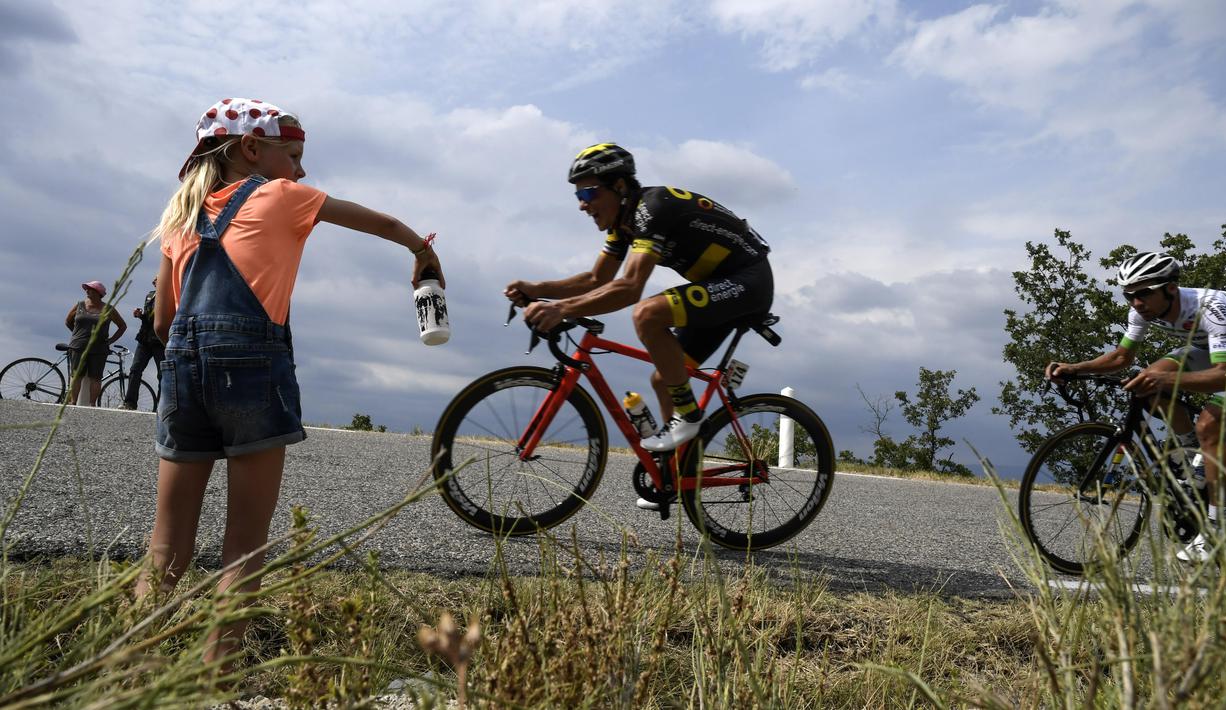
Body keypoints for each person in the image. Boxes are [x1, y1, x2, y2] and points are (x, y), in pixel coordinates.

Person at [133, 98, 444, 670]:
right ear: (252, 149)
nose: (301, 171)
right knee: (245, 542)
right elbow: (380, 222)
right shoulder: (283, 197)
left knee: (167, 543)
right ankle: (215, 675)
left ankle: (128, 669)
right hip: (252, 367)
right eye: (294, 156)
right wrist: (423, 251)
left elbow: (161, 322)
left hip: (181, 370)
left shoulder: (179, 219)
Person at [505, 143, 773, 461]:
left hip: (748, 282)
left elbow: (630, 288)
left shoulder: (653, 208)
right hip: (718, 289)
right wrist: (537, 288)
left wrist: (561, 308)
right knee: (665, 378)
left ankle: (688, 417)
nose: (582, 205)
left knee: (647, 313)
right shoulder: (625, 224)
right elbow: (596, 280)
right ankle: (679, 473)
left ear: (619, 186)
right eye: (578, 196)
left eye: (589, 194)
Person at [1045, 251, 1226, 563]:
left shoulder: (1213, 308)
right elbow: (1121, 358)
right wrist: (1075, 368)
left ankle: (1217, 526)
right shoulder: (1142, 312)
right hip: (1206, 351)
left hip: (1225, 362)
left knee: (1209, 426)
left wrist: (1167, 383)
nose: (1136, 302)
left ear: (1170, 288)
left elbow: (1223, 376)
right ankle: (1191, 457)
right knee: (1147, 378)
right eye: (1128, 295)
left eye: (1143, 293)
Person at [64, 280, 127, 405]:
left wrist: (110, 341)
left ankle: (92, 404)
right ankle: (73, 402)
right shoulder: (80, 305)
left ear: (99, 293)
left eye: (90, 289)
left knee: (96, 377)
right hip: (78, 346)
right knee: (76, 376)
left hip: (99, 348)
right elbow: (68, 321)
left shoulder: (108, 309)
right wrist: (77, 334)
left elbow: (122, 326)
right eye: (87, 289)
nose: (87, 291)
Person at [121, 277, 164, 410]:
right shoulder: (150, 296)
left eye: (159, 279)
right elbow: (149, 317)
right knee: (135, 370)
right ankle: (130, 403)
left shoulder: (170, 296)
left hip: (160, 340)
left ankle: (161, 406)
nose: (157, 282)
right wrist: (140, 315)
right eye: (155, 281)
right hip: (144, 339)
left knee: (162, 374)